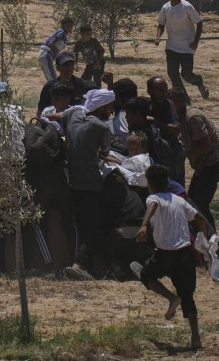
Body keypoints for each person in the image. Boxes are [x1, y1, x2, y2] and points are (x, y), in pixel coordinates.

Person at [131, 164, 210, 350]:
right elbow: (200, 218)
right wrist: (204, 241)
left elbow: (153, 205)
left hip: (165, 254)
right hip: (185, 255)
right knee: (188, 296)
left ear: (150, 184)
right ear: (167, 183)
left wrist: (144, 225)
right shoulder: (179, 200)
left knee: (145, 275)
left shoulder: (153, 197)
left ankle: (170, 298)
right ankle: (196, 337)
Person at [49, 89, 115, 280]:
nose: (111, 111)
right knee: (92, 225)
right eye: (110, 107)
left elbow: (53, 116)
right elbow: (104, 153)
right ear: (102, 106)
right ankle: (80, 265)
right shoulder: (101, 127)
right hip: (90, 183)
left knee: (78, 223)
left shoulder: (74, 113)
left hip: (70, 180)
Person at [168, 88, 219, 233]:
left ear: (181, 101)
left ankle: (211, 239)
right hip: (203, 165)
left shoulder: (192, 117)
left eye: (173, 102)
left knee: (200, 204)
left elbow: (206, 146)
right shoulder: (180, 118)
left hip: (213, 162)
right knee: (193, 201)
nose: (171, 106)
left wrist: (183, 153)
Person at [156, 0, 209, 104]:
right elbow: (161, 24)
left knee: (186, 75)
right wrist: (158, 37)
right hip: (171, 47)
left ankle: (199, 82)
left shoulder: (187, 7)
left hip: (187, 47)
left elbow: (199, 23)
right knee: (173, 74)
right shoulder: (165, 8)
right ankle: (184, 101)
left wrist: (195, 41)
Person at [147, 76, 185, 186]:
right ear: (150, 91)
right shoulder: (146, 105)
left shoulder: (170, 105)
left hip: (171, 153)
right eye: (159, 90)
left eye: (165, 90)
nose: (163, 94)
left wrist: (155, 121)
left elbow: (176, 129)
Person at [122, 97, 175, 174]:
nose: (126, 117)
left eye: (128, 114)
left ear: (137, 114)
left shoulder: (144, 134)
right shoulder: (148, 128)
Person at [37, 51, 91, 117]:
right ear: (58, 68)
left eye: (71, 65)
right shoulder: (49, 87)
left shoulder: (82, 85)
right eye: (66, 65)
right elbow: (40, 112)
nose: (69, 69)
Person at [36, 17, 74, 82]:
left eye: (71, 26)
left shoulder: (63, 34)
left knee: (50, 78)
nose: (69, 28)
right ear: (62, 25)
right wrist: (54, 53)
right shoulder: (61, 33)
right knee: (53, 79)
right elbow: (51, 43)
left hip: (43, 55)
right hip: (46, 54)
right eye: (68, 26)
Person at [107, 78, 138, 155]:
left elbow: (128, 138)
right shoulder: (137, 110)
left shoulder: (122, 118)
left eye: (114, 95)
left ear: (118, 98)